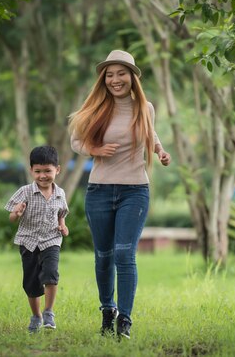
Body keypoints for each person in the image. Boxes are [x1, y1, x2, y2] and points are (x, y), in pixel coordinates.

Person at [68, 49, 171, 339]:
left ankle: (125, 319)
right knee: (103, 256)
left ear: (132, 77)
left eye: (121, 73)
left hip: (135, 190)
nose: (115, 79)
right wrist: (95, 150)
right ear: (104, 78)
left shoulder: (145, 107)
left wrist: (160, 152)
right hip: (99, 190)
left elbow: (151, 134)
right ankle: (107, 310)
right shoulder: (95, 109)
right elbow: (76, 140)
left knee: (125, 254)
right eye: (110, 74)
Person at [4, 145, 70, 333]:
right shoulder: (24, 191)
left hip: (51, 240)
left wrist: (63, 225)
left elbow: (62, 213)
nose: (43, 176)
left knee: (51, 273)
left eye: (47, 171)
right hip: (28, 241)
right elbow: (11, 217)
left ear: (57, 170)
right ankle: (36, 316)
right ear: (31, 170)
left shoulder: (60, 193)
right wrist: (16, 213)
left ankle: (49, 312)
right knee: (31, 282)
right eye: (38, 171)